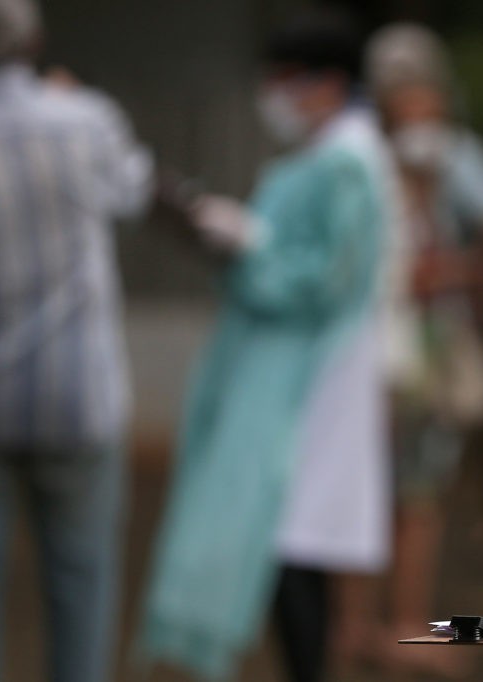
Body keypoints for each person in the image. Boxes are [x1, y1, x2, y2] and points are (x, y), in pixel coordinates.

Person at [0, 0, 154, 680]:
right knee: (82, 582)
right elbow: (134, 193)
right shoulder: (87, 121)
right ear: (35, 42)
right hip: (78, 396)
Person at [139, 10, 392, 682]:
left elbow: (326, 277)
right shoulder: (331, 154)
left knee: (293, 544)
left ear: (329, 81)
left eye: (287, 79)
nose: (275, 95)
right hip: (294, 372)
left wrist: (247, 246)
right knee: (292, 547)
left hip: (308, 377)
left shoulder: (347, 160)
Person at [357, 22, 483, 676]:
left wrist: (457, 273)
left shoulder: (438, 152)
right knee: (388, 495)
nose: (412, 102)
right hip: (381, 349)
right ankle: (375, 626)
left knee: (416, 494)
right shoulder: (380, 152)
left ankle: (397, 624)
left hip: (419, 347)